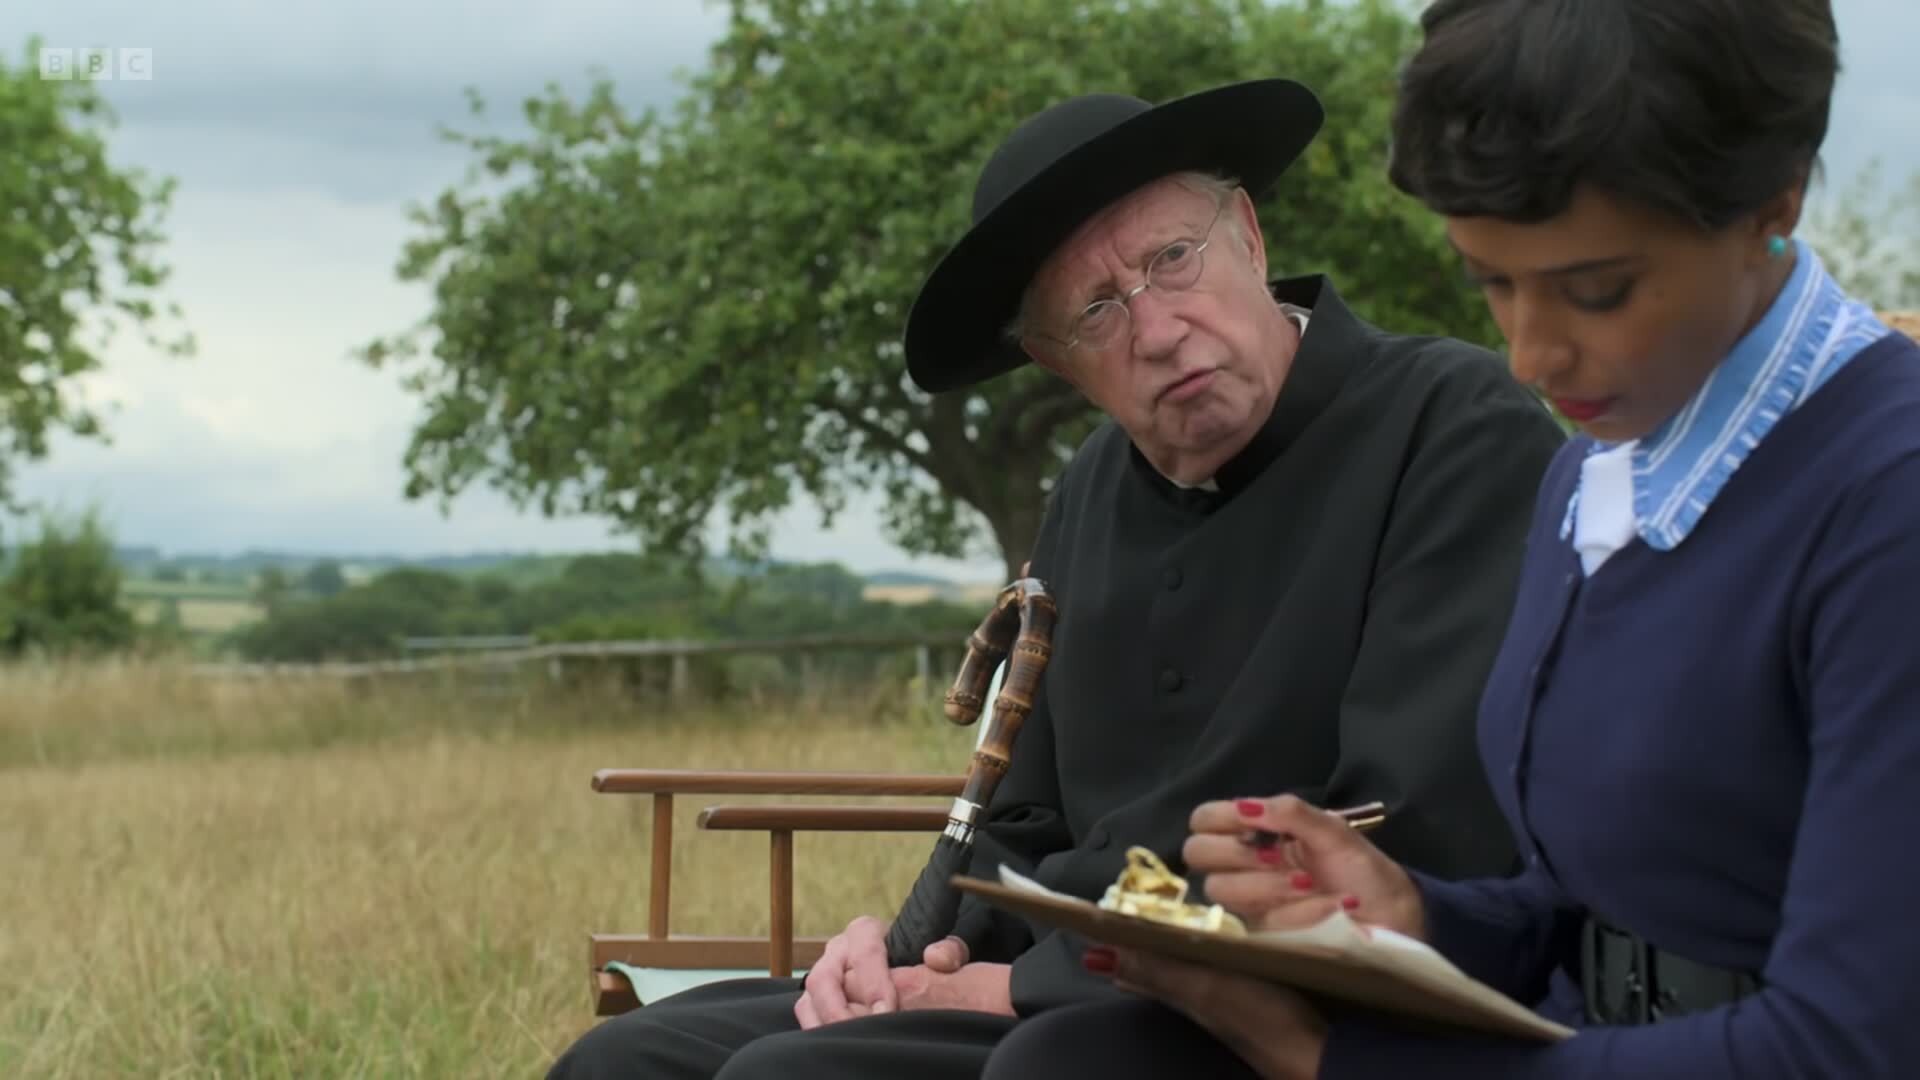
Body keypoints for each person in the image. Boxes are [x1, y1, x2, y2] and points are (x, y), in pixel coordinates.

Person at [546, 77, 1565, 1079]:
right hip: (1049, 990)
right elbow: (1025, 824)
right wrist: (910, 953)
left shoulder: (1451, 427)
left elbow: (1412, 828)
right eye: (1097, 312)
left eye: (1172, 260)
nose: (1158, 330)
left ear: (1249, 239)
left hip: (1286, 1010)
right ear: (1053, 361)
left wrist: (1032, 987)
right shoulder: (1088, 491)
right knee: (631, 1059)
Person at [978, 2, 1920, 1078]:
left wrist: (1340, 1062)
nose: (1530, 355)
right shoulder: (1592, 482)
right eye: (1492, 282)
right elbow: (1593, 915)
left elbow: (1854, 1043)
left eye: (1597, 290)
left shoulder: (1887, 500)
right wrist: (1418, 914)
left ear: (1774, 202)